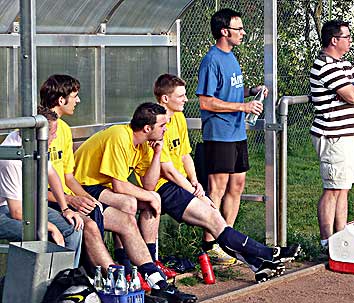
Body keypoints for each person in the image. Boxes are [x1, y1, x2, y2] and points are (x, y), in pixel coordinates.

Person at [153, 73, 300, 282]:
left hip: (182, 183)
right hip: (164, 186)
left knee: (215, 219)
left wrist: (195, 182)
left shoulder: (178, 118)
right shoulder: (157, 123)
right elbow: (167, 170)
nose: (186, 99)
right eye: (181, 96)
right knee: (214, 217)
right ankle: (269, 254)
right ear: (164, 99)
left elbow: (185, 155)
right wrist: (193, 190)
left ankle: (259, 265)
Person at [73, 102, 197, 303]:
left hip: (102, 186)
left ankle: (150, 269)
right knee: (130, 203)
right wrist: (152, 196)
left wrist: (157, 154)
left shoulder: (145, 143)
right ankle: (127, 266)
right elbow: (120, 186)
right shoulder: (120, 136)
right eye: (163, 126)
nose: (166, 129)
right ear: (147, 128)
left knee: (146, 203)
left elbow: (149, 184)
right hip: (82, 186)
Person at [195, 8, 267, 264]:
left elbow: (228, 90)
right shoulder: (211, 60)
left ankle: (228, 240)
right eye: (239, 29)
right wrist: (243, 107)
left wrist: (251, 91)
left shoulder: (231, 58)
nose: (243, 33)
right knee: (217, 188)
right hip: (219, 133)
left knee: (236, 186)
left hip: (237, 132)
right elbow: (206, 102)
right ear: (224, 31)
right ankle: (209, 244)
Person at [309, 20, 354, 250]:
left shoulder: (343, 64)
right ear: (334, 40)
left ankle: (341, 236)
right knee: (332, 187)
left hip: (348, 135)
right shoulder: (324, 65)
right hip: (333, 135)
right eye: (346, 36)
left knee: (343, 187)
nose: (350, 41)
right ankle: (327, 240)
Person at [0, 106, 83, 268]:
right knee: (43, 235)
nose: (56, 136)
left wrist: (66, 209)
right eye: (52, 133)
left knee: (73, 227)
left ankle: (65, 279)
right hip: (5, 210)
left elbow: (51, 175)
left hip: (22, 206)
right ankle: (37, 286)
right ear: (40, 134)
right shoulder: (11, 157)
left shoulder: (36, 145)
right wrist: (50, 227)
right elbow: (17, 212)